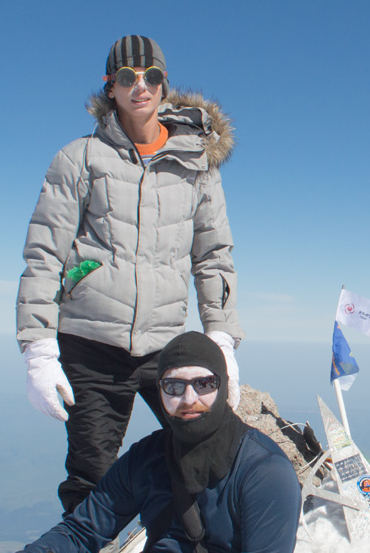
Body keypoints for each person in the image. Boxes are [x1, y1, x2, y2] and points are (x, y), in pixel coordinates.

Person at [16, 35, 245, 515]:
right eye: (127, 77)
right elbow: (44, 254)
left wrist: (221, 338)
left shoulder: (197, 165)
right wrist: (38, 348)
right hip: (90, 344)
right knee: (92, 475)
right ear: (110, 87)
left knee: (204, 454)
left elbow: (213, 256)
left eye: (151, 76)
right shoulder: (79, 158)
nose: (140, 86)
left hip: (165, 344)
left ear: (164, 85)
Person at [21, 332, 301, 553]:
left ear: (223, 386)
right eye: (173, 386)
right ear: (160, 391)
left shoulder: (264, 473)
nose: (189, 399)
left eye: (204, 384)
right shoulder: (146, 458)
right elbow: (82, 532)